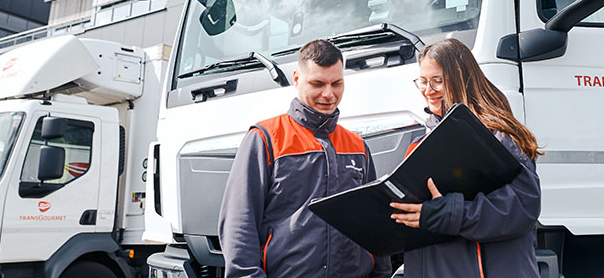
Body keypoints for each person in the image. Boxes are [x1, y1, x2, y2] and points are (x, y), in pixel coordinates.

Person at [219, 39, 391, 278]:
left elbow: (374, 223)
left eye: (337, 83)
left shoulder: (357, 146)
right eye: (317, 84)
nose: (329, 94)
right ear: (297, 78)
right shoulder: (265, 139)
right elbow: (239, 224)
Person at [390, 38, 542, 277]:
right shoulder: (418, 145)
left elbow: (523, 206)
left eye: (437, 81)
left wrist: (451, 214)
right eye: (423, 81)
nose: (428, 90)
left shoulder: (498, 137)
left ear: (461, 79)